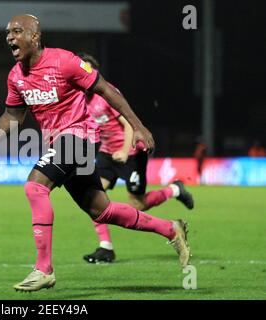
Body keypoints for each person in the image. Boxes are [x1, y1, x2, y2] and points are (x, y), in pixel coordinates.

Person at [0, 14, 191, 292]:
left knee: (35, 187)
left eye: (17, 31)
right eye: (8, 33)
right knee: (102, 210)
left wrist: (137, 126)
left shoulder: (64, 61)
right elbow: (12, 115)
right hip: (58, 143)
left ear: (35, 37)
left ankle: (44, 269)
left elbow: (105, 89)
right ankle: (171, 229)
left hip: (80, 135)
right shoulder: (16, 76)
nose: (10, 37)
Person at [76, 53, 194, 264]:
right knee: (92, 197)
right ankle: (106, 247)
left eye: (89, 71)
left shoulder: (106, 93)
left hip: (131, 151)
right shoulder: (80, 97)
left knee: (138, 204)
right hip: (107, 152)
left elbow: (129, 123)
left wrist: (123, 149)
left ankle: (175, 189)